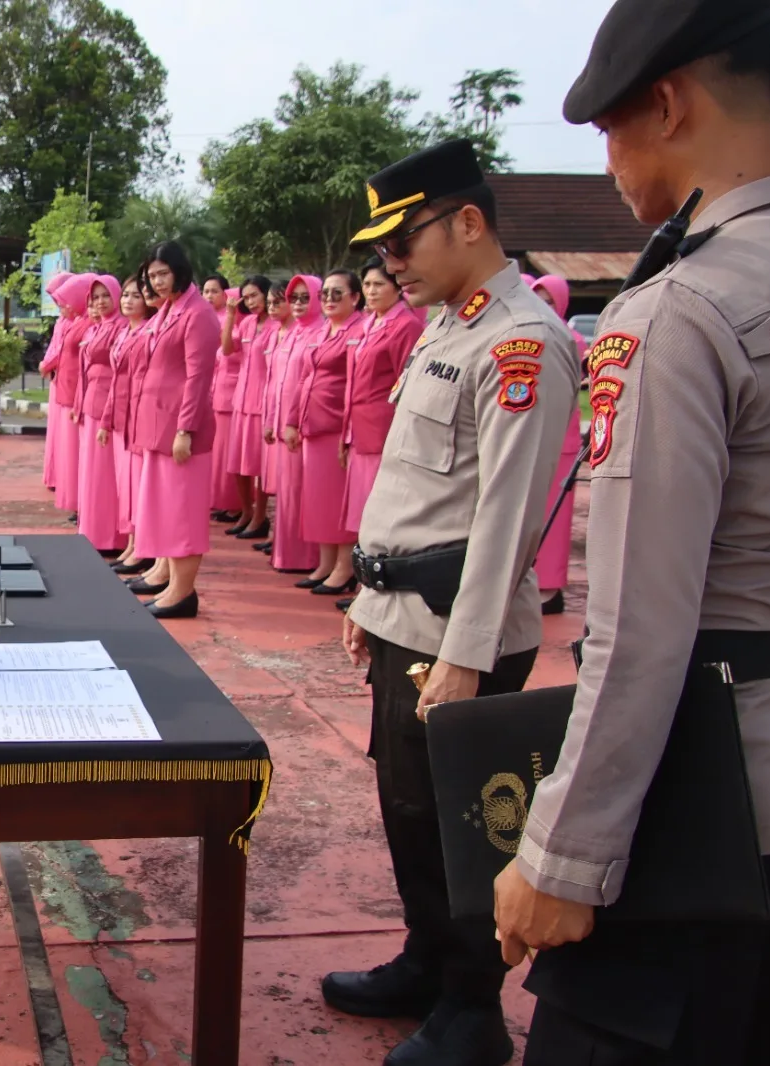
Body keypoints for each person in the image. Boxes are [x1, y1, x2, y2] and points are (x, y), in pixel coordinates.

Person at [491, 2, 770, 1062]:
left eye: (609, 130)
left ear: (665, 104)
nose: (611, 163)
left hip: (721, 819)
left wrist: (560, 859)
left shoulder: (676, 312)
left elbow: (639, 628)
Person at [326, 138, 577, 1066]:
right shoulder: (448, 325)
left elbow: (508, 523)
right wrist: (366, 596)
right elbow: (411, 485)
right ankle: (426, 960)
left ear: (469, 223)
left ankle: (473, 1009)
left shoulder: (520, 343)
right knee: (407, 807)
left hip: (460, 633)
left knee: (466, 824)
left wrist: (467, 655)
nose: (391, 262)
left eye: (405, 241)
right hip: (405, 617)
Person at [127, 241, 218, 618]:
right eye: (152, 275)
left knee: (183, 512)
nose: (158, 281)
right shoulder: (168, 310)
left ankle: (183, 592)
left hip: (181, 428)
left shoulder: (197, 313)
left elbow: (198, 376)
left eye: (163, 273)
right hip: (157, 423)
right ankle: (168, 581)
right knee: (164, 507)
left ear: (180, 269)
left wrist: (186, 429)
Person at [336, 258, 426, 611]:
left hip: (384, 430)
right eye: (368, 285)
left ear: (396, 288)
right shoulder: (368, 324)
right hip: (360, 430)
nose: (371, 292)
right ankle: (363, 587)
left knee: (379, 513)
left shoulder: (404, 325)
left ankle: (373, 591)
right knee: (361, 513)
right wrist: (346, 433)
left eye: (378, 285)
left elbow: (407, 385)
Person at [286, 270, 366, 594]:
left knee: (337, 502)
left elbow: (357, 384)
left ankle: (344, 567)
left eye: (338, 293)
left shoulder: (359, 330)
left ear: (355, 298)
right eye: (327, 294)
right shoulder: (321, 331)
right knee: (318, 500)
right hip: (312, 426)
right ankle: (325, 562)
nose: (330, 300)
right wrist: (292, 420)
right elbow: (304, 377)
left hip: (336, 426)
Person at [527, 274, 588, 615]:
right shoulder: (538, 335)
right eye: (537, 299)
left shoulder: (570, 339)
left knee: (556, 516)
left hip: (559, 440)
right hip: (536, 436)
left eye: (549, 301)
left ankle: (550, 589)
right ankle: (536, 581)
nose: (542, 307)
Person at [265, 275, 324, 574]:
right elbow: (275, 380)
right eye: (295, 298)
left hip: (301, 424)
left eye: (305, 297)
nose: (298, 304)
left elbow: (308, 383)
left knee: (302, 492)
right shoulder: (289, 332)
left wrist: (295, 422)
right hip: (281, 422)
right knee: (286, 492)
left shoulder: (320, 332)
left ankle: (306, 558)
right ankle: (285, 554)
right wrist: (269, 418)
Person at [102, 275, 160, 575]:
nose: (127, 300)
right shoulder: (126, 332)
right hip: (122, 418)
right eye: (124, 295)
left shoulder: (149, 332)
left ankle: (142, 547)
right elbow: (117, 381)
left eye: (135, 296)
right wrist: (107, 419)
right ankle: (132, 543)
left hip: (140, 418)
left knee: (139, 487)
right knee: (127, 486)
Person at [75, 275, 126, 553]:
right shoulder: (97, 327)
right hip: (90, 404)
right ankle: (92, 530)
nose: (100, 301)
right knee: (92, 472)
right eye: (94, 297)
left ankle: (109, 536)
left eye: (105, 295)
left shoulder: (120, 327)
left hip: (107, 405)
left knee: (105, 474)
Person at [227, 276, 274, 538]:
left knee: (259, 465)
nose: (251, 301)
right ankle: (246, 510)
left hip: (262, 401)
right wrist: (231, 315)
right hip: (241, 399)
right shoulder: (246, 323)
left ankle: (259, 516)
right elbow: (226, 349)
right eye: (246, 296)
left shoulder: (277, 325)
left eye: (255, 295)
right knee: (237, 462)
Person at [249, 282, 294, 554]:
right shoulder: (275, 332)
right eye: (271, 302)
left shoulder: (300, 331)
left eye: (279, 301)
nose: (273, 307)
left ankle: (281, 535)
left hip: (290, 416)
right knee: (274, 479)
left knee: (285, 482)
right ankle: (277, 534)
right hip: (272, 411)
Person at [51, 273, 96, 517]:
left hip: (82, 396)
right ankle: (79, 504)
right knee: (74, 455)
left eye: (68, 300)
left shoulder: (90, 323)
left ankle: (84, 505)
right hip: (69, 392)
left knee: (81, 455)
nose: (64, 306)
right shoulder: (79, 320)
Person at [210, 275, 247, 520]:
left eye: (214, 291)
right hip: (217, 389)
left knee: (229, 452)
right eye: (206, 290)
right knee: (219, 450)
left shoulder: (236, 324)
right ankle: (222, 500)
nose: (209, 295)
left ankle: (234, 504)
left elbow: (227, 350)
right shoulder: (217, 321)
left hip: (233, 392)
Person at [39, 270, 73, 492]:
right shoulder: (62, 319)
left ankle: (61, 477)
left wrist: (46, 364)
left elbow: (60, 349)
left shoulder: (75, 320)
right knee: (56, 432)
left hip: (65, 380)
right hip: (57, 378)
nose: (56, 301)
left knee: (64, 434)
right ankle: (54, 475)